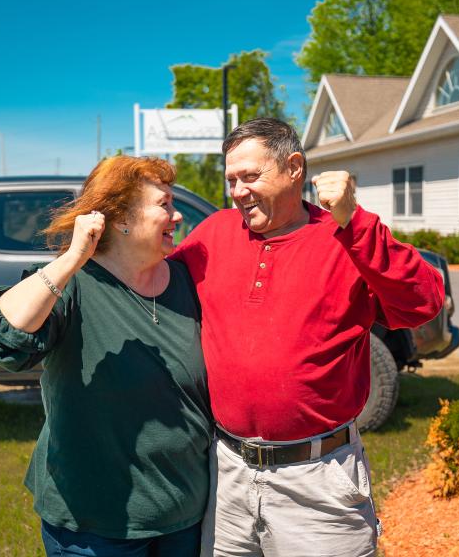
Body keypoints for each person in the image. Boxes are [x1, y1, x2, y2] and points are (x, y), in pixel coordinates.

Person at [171, 118, 445, 557]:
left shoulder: (345, 237)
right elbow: (153, 286)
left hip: (318, 480)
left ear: (293, 167)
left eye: (250, 177)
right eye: (231, 180)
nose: (238, 191)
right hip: (228, 476)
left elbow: (423, 303)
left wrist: (354, 220)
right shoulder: (215, 233)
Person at [0, 156, 212, 557]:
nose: (176, 217)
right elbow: (5, 338)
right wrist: (71, 258)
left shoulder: (186, 281)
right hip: (95, 526)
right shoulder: (75, 283)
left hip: (184, 515)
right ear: (120, 216)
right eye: (164, 204)